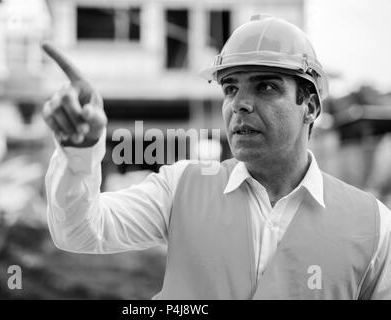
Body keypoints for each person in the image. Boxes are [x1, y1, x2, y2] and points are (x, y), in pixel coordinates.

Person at [42, 15, 391, 299]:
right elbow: (79, 231)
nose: (239, 103)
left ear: (310, 106)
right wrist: (80, 151)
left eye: (265, 86)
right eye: (230, 88)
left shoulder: (374, 226)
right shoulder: (181, 188)